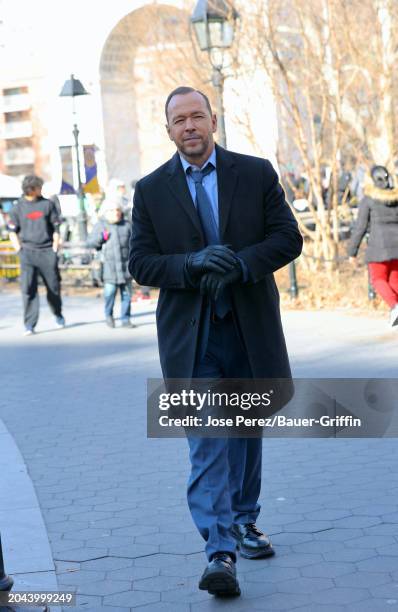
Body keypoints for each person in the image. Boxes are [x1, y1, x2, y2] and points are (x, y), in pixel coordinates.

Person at [129, 86, 303, 597]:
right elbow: (140, 262)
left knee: (246, 431)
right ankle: (218, 551)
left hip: (250, 328)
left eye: (197, 116)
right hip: (192, 338)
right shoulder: (150, 189)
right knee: (207, 440)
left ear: (213, 121)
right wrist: (191, 264)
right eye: (179, 120)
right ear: (169, 131)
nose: (189, 126)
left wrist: (242, 263)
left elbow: (288, 237)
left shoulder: (254, 173)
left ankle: (246, 522)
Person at [7, 175, 65, 335]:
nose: (41, 189)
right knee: (28, 289)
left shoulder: (47, 204)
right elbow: (12, 231)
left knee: (53, 287)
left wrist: (55, 247)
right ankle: (29, 324)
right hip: (27, 252)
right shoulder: (17, 208)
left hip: (47, 251)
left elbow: (56, 228)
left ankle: (58, 314)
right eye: (39, 187)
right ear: (31, 189)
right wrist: (19, 250)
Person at [348, 165, 398, 327]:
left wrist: (352, 252)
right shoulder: (395, 197)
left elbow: (360, 227)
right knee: (394, 280)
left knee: (377, 279)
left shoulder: (368, 200)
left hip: (378, 248)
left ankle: (395, 307)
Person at [87, 199, 136, 329]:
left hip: (126, 268)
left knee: (126, 295)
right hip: (109, 268)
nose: (116, 213)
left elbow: (135, 244)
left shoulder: (127, 225)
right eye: (113, 210)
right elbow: (90, 243)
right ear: (106, 212)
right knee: (110, 295)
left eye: (118, 210)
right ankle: (109, 316)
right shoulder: (101, 225)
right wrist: (101, 238)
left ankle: (126, 319)